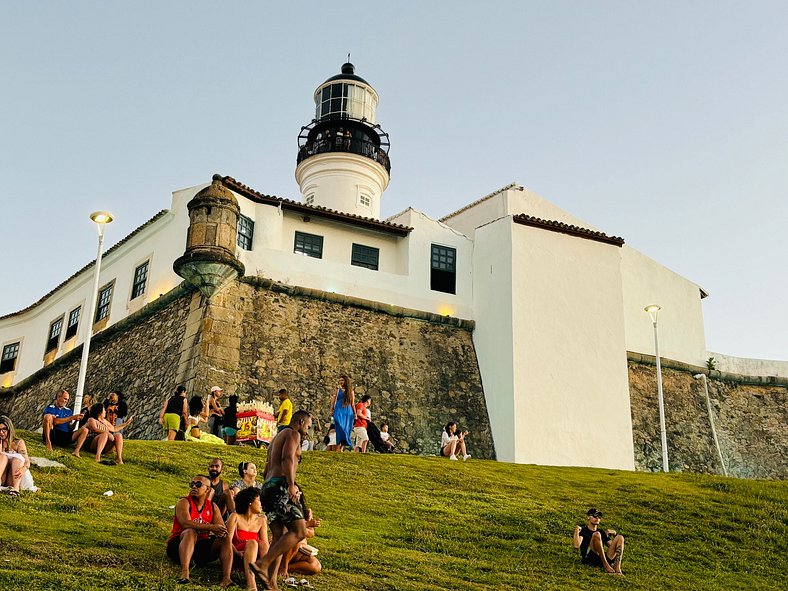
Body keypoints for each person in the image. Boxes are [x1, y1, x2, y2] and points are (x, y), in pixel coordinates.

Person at [251, 410, 313, 590]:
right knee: (300, 531)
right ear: (301, 421)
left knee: (280, 536)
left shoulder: (276, 438)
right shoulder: (293, 434)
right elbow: (287, 458)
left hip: (268, 486)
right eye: (308, 426)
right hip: (281, 485)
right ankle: (262, 564)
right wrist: (291, 485)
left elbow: (266, 468)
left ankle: (271, 583)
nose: (308, 431)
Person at [166, 474, 233, 587]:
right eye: (192, 484)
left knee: (224, 536)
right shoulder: (184, 502)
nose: (194, 487)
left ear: (207, 489)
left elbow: (221, 529)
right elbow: (185, 523)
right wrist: (210, 527)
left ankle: (226, 578)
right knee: (190, 531)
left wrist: (219, 532)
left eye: (198, 485)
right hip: (178, 545)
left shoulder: (212, 507)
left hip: (201, 547)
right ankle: (185, 573)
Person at [226, 486, 270, 591]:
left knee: (263, 544)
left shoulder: (261, 521)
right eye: (259, 500)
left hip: (255, 561)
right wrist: (236, 552)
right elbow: (226, 541)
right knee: (253, 543)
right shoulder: (235, 516)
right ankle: (251, 583)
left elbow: (265, 545)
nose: (261, 504)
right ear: (250, 502)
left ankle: (266, 579)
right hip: (236, 556)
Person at [280, 487, 322, 584]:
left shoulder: (305, 511)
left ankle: (285, 567)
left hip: (300, 550)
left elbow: (311, 533)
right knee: (297, 537)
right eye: (294, 493)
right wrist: (307, 525)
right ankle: (284, 567)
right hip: (284, 548)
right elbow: (289, 530)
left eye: (298, 492)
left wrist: (307, 526)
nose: (296, 495)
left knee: (315, 566)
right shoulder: (283, 509)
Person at [573, 507, 625, 575]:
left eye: (599, 517)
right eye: (595, 516)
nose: (597, 518)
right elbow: (576, 545)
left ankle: (617, 567)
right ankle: (606, 565)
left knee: (620, 537)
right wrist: (576, 530)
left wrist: (615, 534)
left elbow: (613, 546)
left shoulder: (601, 532)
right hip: (590, 559)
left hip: (602, 557)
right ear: (588, 517)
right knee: (596, 534)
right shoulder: (584, 531)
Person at [0, 415, 30, 497]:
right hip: (1, 476)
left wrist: (24, 469)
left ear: (9, 430)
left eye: (4, 429)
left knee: (18, 458)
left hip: (13, 477)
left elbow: (26, 460)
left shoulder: (18, 443)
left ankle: (16, 489)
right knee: (2, 457)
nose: (1, 432)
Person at [329, 375, 354, 452]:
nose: (341, 382)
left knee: (346, 428)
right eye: (340, 380)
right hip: (338, 409)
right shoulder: (338, 390)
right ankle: (340, 442)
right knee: (338, 424)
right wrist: (331, 409)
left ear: (346, 381)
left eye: (342, 380)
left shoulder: (350, 392)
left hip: (347, 411)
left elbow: (352, 403)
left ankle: (341, 446)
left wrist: (355, 414)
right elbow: (334, 399)